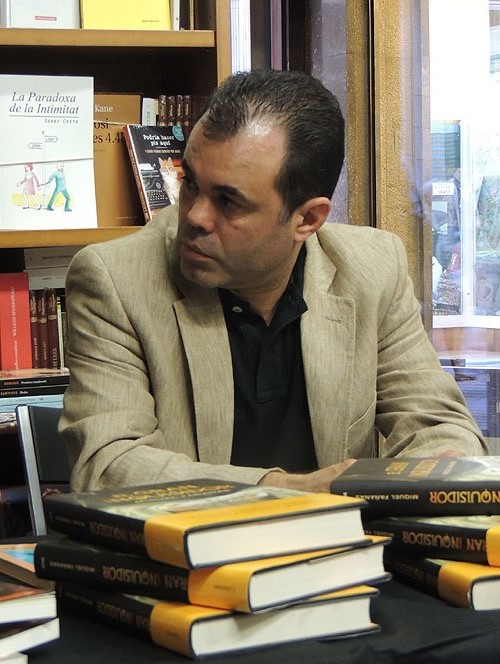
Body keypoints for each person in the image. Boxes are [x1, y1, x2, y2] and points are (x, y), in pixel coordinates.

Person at [60, 69, 488, 494]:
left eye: (228, 201)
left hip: (345, 538)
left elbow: (436, 422)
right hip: (191, 539)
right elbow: (107, 465)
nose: (194, 216)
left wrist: (442, 462)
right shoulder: (115, 280)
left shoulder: (372, 268)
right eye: (190, 183)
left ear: (308, 219)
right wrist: (290, 490)